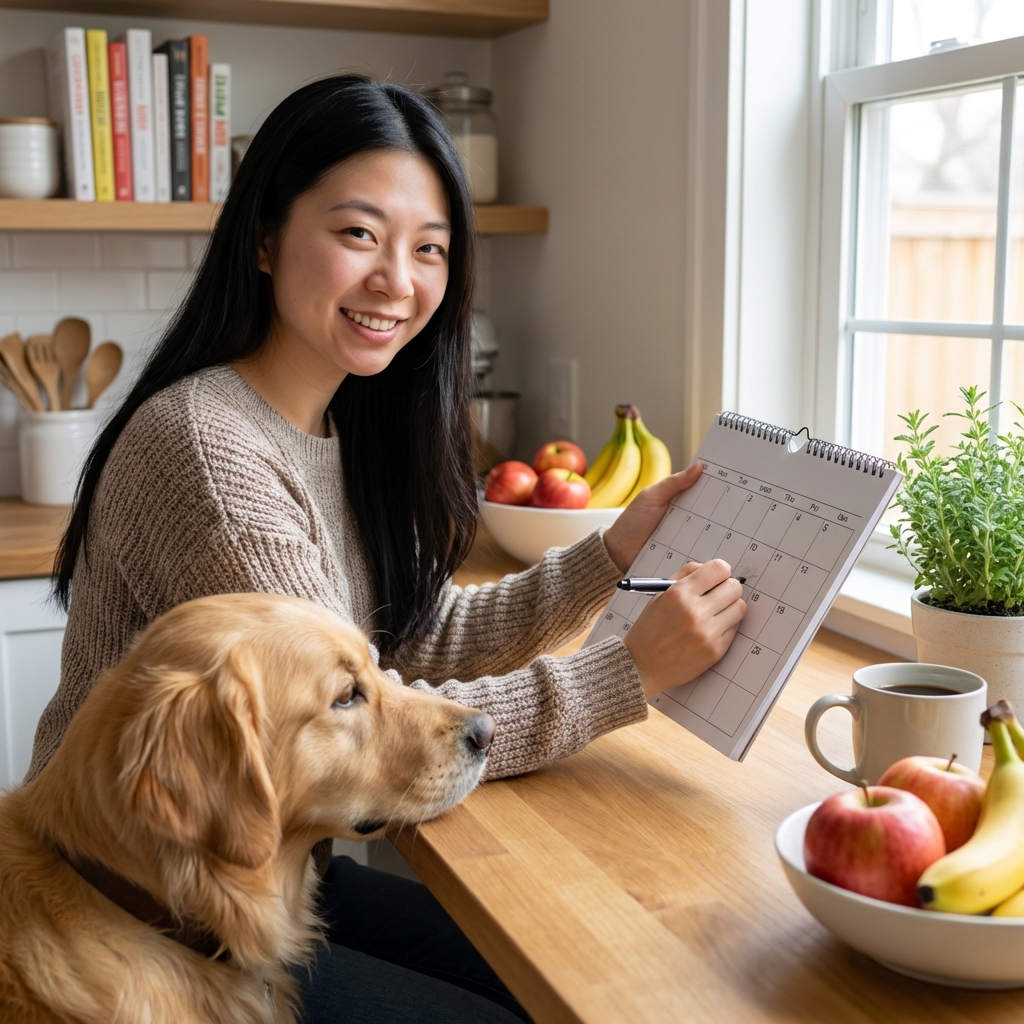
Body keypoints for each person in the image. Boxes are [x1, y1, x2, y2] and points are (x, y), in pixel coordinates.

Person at [29, 75, 747, 1023]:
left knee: (559, 976)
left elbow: (408, 638)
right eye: (359, 233)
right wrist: (625, 676)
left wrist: (608, 552)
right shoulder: (210, 452)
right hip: (135, 921)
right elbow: (361, 724)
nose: (397, 282)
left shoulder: (332, 422)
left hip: (237, 891)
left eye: (430, 249)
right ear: (264, 236)